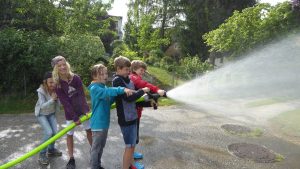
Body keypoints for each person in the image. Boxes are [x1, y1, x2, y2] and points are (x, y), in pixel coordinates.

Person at [88, 63, 134, 169]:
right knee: (96, 148)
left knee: (101, 147)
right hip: (98, 124)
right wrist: (121, 89)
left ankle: (98, 165)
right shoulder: (94, 88)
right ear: (95, 76)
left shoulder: (102, 87)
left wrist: (117, 96)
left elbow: (108, 101)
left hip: (104, 123)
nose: (105, 76)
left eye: (106, 73)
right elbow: (107, 92)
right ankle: (94, 166)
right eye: (102, 74)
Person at [51, 55, 92, 169]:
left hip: (83, 110)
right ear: (56, 68)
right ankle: (71, 158)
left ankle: (94, 153)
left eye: (64, 64)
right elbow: (65, 103)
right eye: (59, 66)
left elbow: (81, 96)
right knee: (70, 134)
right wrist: (74, 117)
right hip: (70, 114)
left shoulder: (76, 78)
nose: (63, 67)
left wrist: (85, 110)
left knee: (89, 130)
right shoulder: (57, 84)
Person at [112, 56, 150, 169]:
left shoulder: (128, 79)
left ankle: (131, 165)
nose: (128, 72)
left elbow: (135, 99)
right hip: (125, 119)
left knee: (132, 145)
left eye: (129, 69)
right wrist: (141, 91)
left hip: (133, 116)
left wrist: (148, 103)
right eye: (126, 69)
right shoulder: (117, 80)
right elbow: (129, 98)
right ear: (118, 69)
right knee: (129, 146)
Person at [129, 60, 166, 159]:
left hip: (136, 112)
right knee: (133, 136)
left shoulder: (135, 77)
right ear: (134, 69)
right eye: (141, 70)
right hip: (133, 113)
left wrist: (151, 99)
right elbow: (144, 84)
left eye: (144, 70)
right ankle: (130, 157)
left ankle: (132, 154)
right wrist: (157, 90)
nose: (143, 72)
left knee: (134, 135)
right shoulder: (133, 77)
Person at [35, 71, 62, 165]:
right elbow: (42, 106)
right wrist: (52, 100)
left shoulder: (56, 89)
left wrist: (59, 99)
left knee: (55, 132)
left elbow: (59, 103)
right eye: (50, 82)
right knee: (49, 132)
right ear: (45, 82)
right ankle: (42, 154)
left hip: (51, 114)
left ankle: (51, 150)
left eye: (54, 82)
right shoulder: (41, 91)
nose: (52, 84)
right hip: (42, 114)